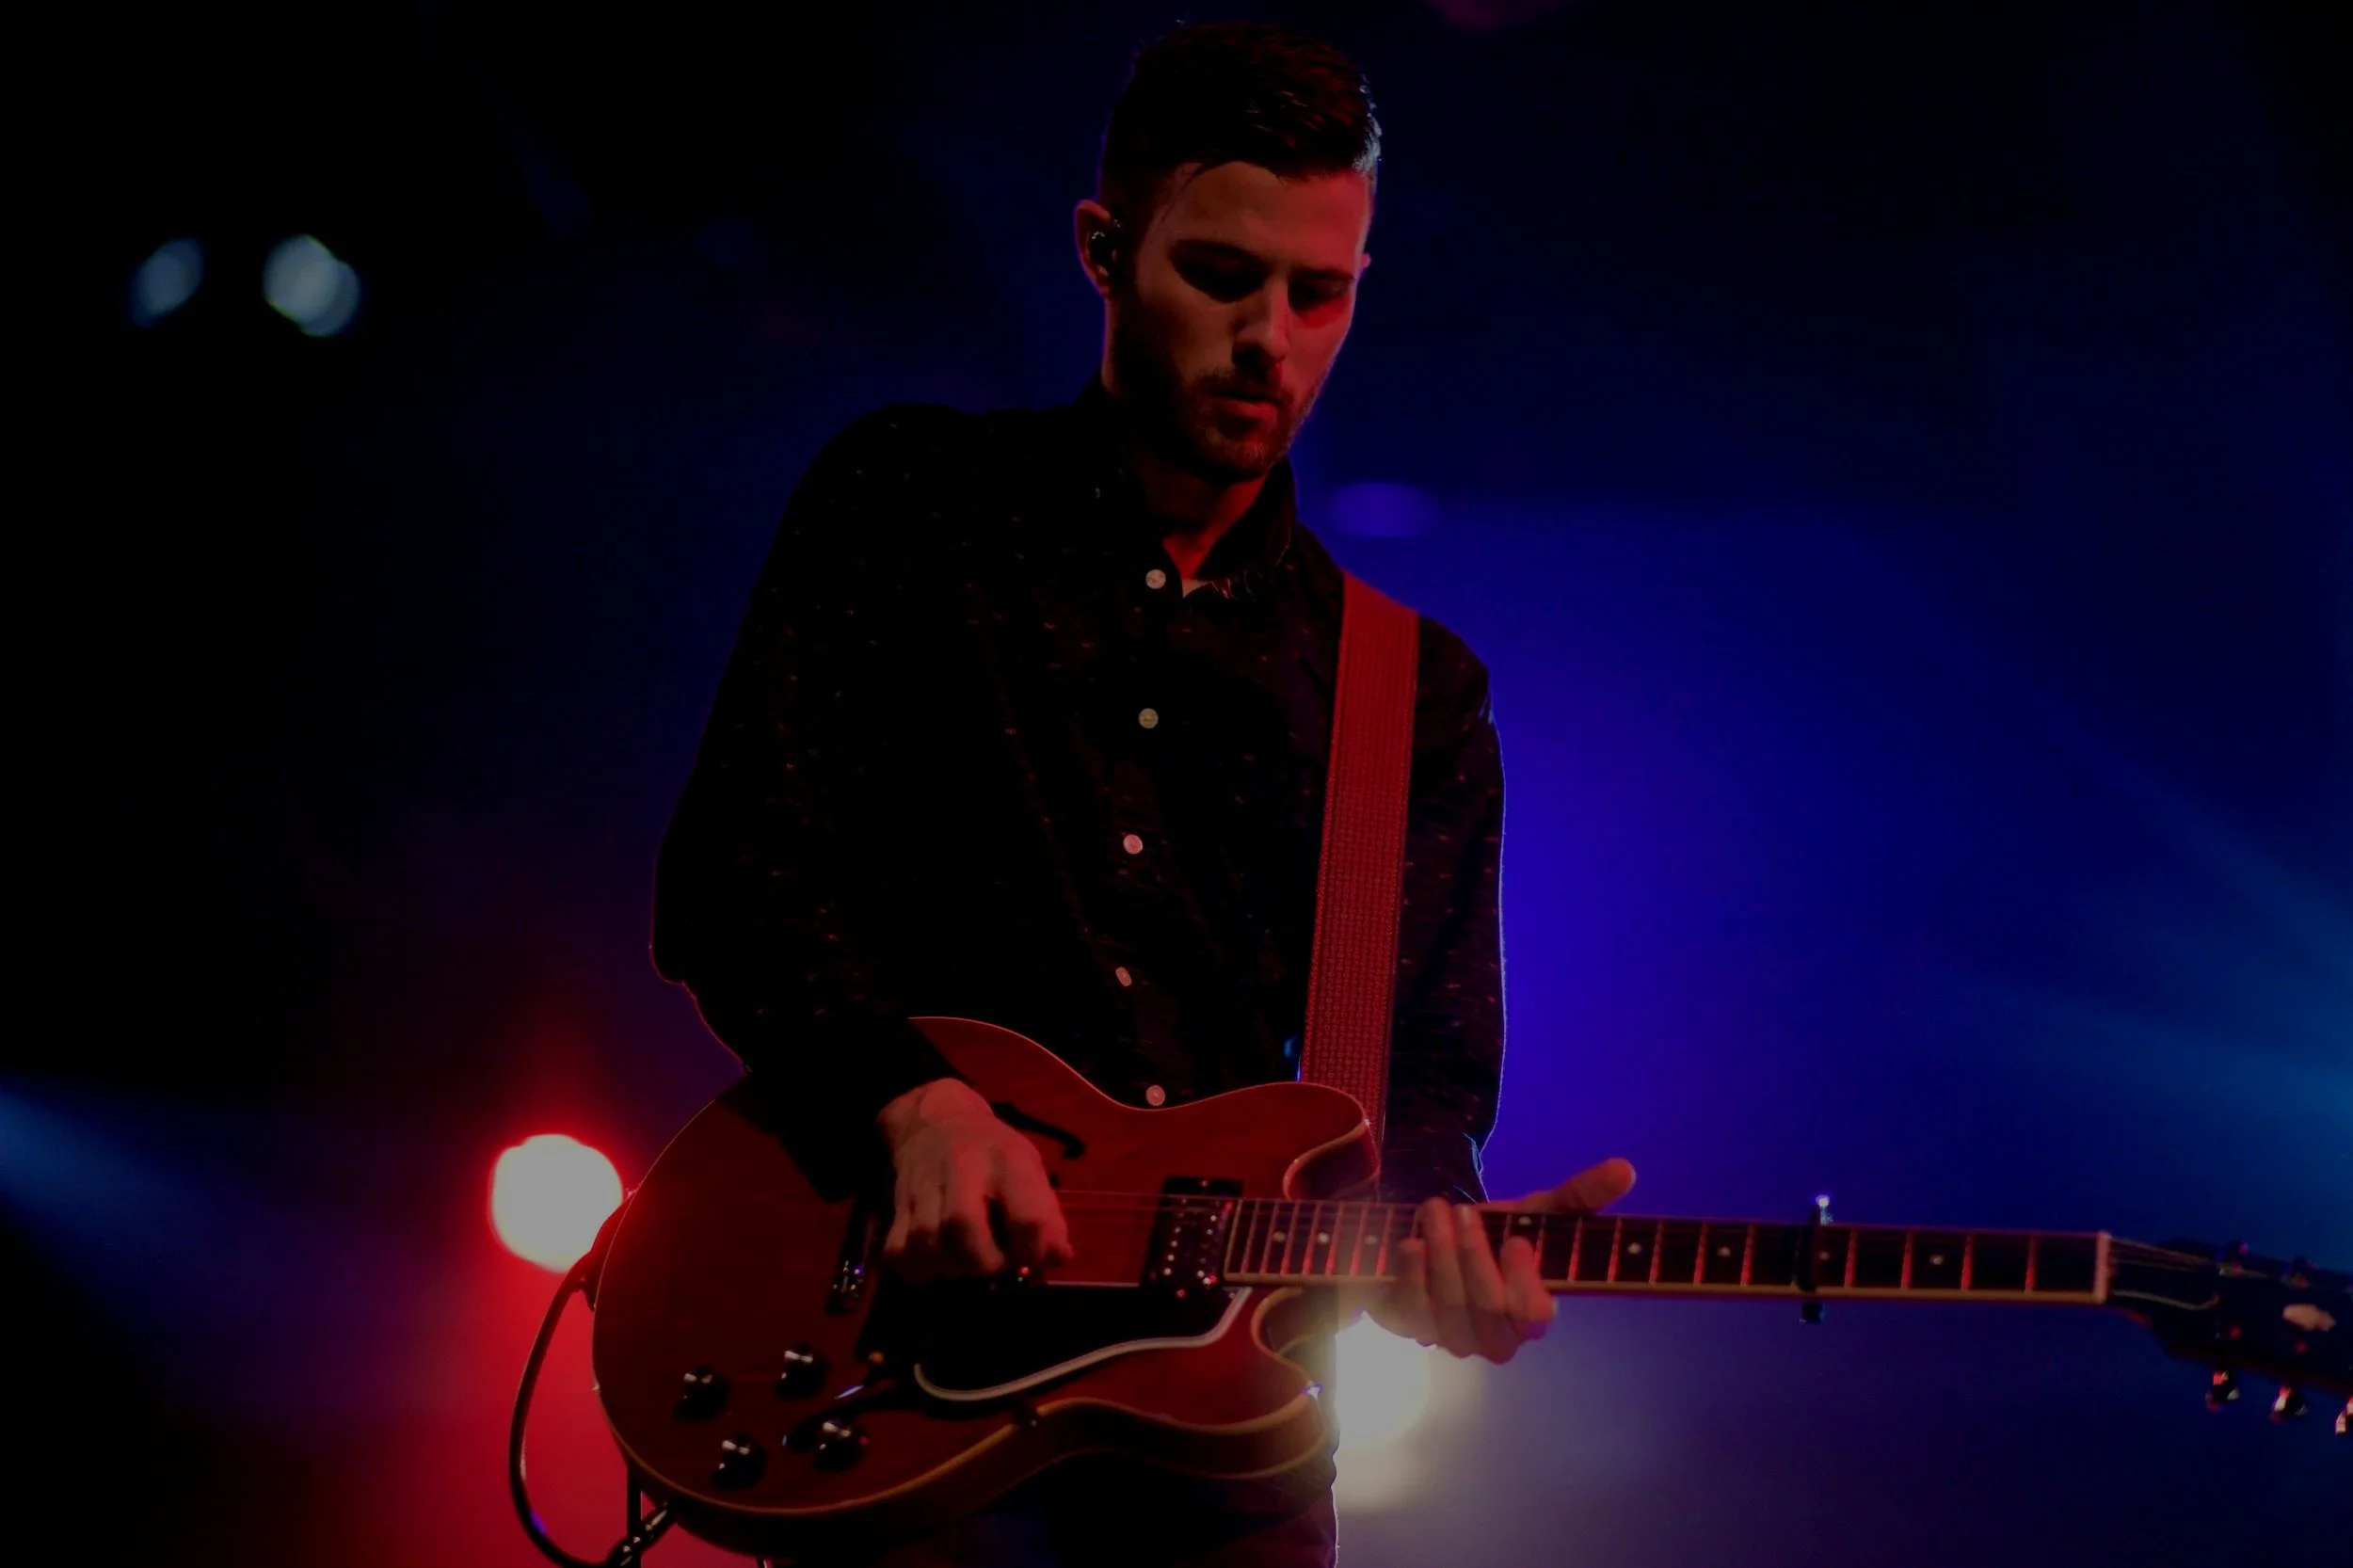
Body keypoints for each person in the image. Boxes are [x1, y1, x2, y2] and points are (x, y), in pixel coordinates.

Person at [651, 20, 1633, 1566]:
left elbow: (1425, 1091)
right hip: (899, 1361)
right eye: (1225, 277)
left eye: (1322, 294)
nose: (1273, 341)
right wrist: (914, 1100)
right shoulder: (910, 507)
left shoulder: (1409, 690)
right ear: (1105, 250)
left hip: (1225, 1435)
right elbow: (736, 872)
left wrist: (1445, 1242)